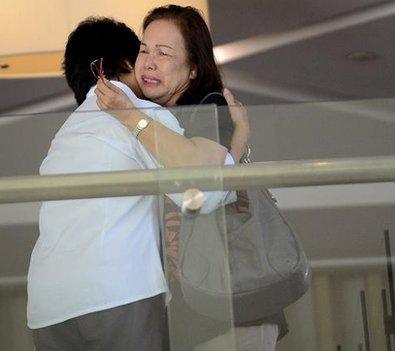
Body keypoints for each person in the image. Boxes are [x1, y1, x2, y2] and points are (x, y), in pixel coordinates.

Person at [28, 17, 241, 350]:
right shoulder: (141, 113)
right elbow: (202, 198)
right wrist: (236, 143)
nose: (149, 65)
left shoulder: (64, 133)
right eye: (143, 52)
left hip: (47, 303)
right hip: (118, 289)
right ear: (127, 62)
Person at [96, 5, 285, 351]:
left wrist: (130, 117)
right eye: (144, 50)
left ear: (194, 68)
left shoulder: (209, 108)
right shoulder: (161, 119)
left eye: (164, 54)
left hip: (233, 313)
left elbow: (202, 189)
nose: (149, 63)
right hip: (197, 314)